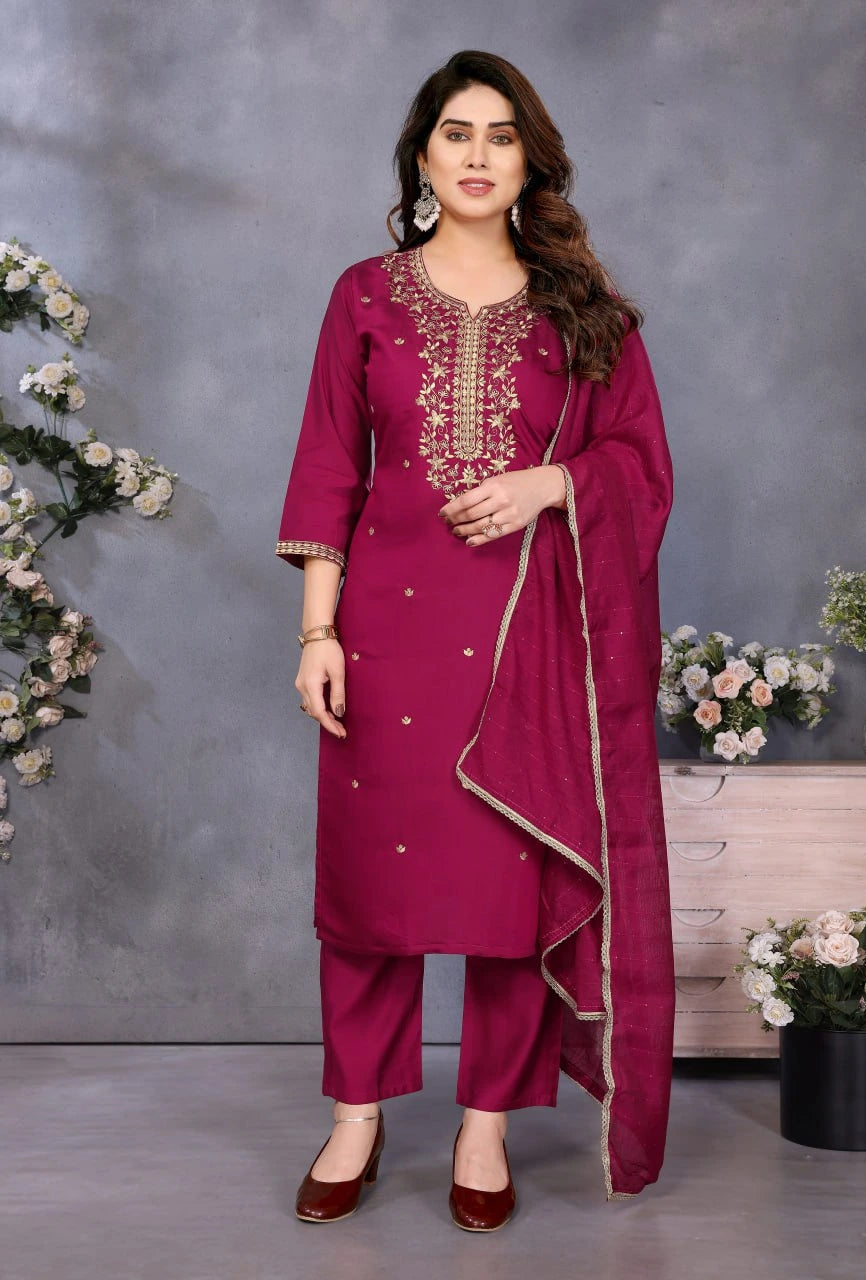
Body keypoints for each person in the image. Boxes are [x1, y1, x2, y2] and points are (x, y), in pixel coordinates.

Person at [275, 50, 675, 1229]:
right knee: (366, 891)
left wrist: (556, 480)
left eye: (502, 136)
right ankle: (355, 1112)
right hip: (384, 632)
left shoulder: (581, 312)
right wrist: (316, 631)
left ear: (528, 160)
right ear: (421, 154)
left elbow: (642, 467)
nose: (479, 156)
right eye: (458, 133)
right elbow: (326, 467)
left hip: (522, 643)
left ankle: (486, 1125)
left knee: (510, 881)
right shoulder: (363, 295)